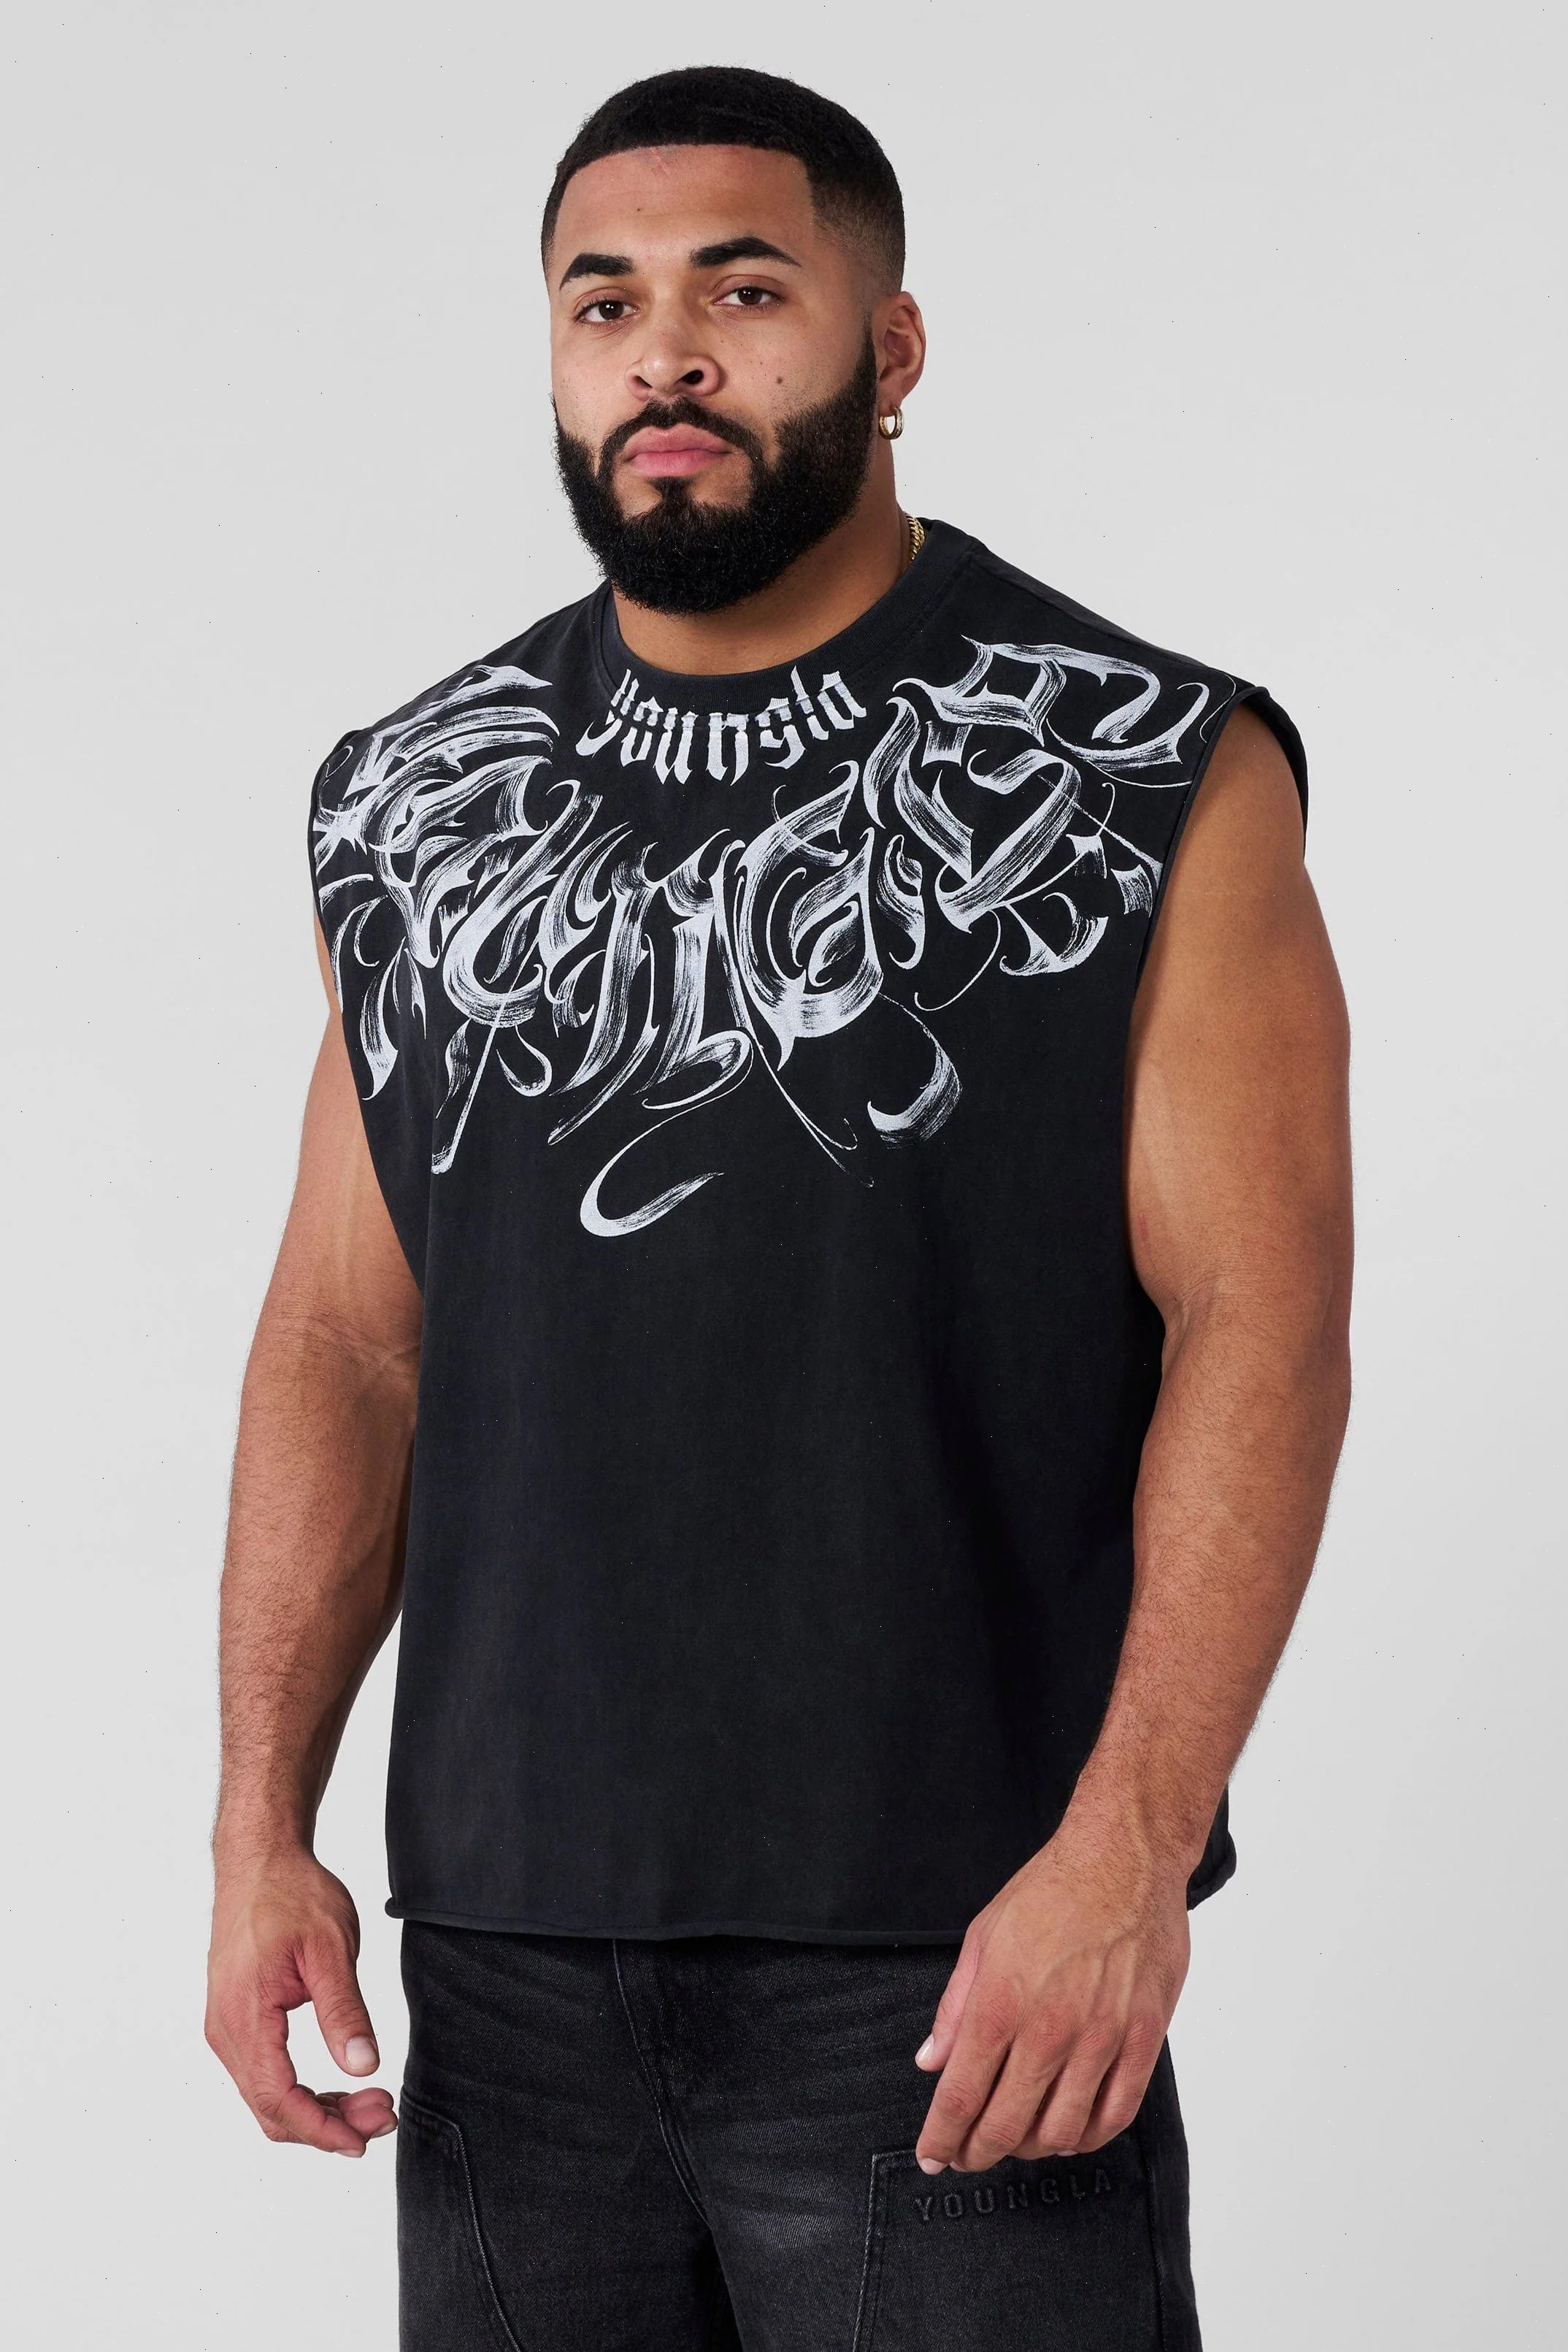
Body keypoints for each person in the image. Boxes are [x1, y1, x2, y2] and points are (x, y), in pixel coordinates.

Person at [205, 64, 1351, 2351]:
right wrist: (257, 1829)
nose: (667, 354)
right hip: (506, 1960)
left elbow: (1263, 1317)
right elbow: (347, 1337)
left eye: (743, 293)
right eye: (602, 303)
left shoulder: (1142, 765)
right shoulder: (411, 800)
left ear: (888, 346)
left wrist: (1128, 1849)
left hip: (958, 1960)